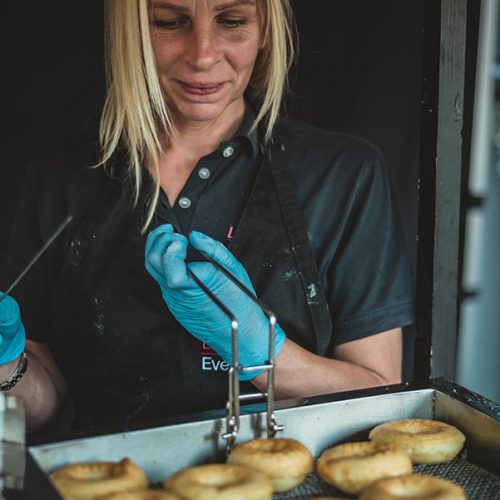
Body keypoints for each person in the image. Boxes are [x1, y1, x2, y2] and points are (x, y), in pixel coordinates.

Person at [0, 0, 414, 434]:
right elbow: (38, 410)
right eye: (170, 22)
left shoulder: (343, 176)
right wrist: (7, 361)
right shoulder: (62, 177)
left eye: (232, 22)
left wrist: (264, 354)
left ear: (266, 31)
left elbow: (382, 396)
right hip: (107, 478)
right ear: (133, 32)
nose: (202, 55)